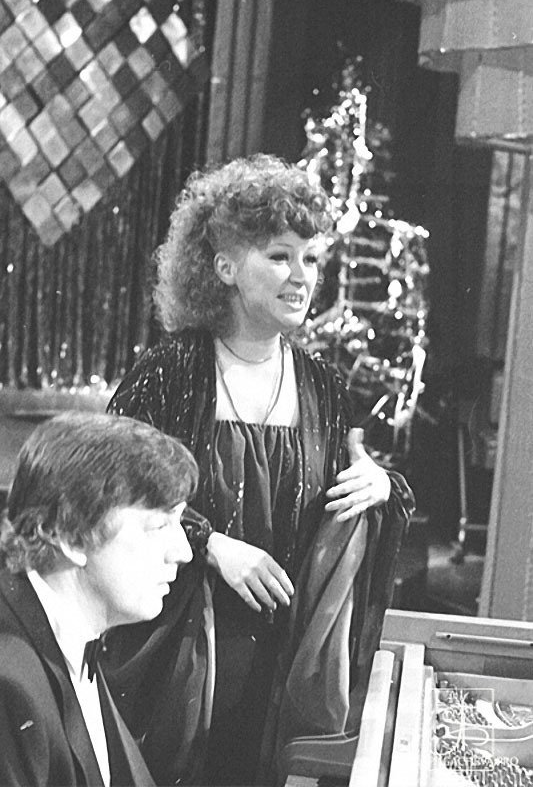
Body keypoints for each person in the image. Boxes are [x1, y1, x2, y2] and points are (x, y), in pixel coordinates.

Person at [107, 153, 415, 785]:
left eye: (311, 258)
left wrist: (381, 486)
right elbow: (109, 492)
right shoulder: (170, 371)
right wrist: (211, 545)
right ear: (224, 266)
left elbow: (351, 511)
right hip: (179, 663)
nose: (301, 276)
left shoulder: (323, 386)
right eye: (279, 256)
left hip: (277, 669)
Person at [0, 411, 196, 787]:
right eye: (159, 525)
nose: (184, 551)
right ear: (70, 536)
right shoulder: (10, 685)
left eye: (180, 522)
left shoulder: (73, 632)